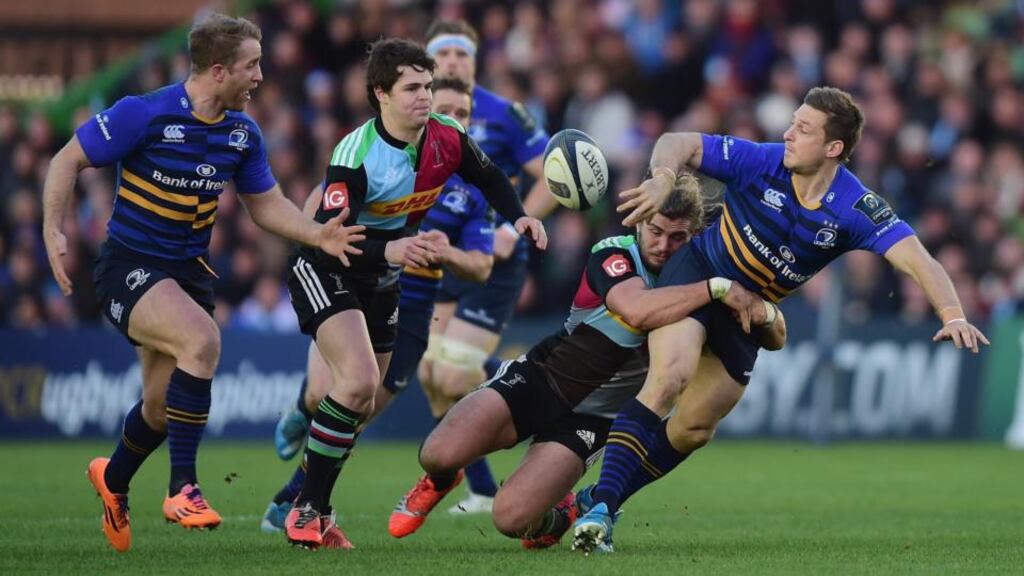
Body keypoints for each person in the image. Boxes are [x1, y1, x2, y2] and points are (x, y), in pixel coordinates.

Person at [572, 86, 990, 553]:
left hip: (748, 312)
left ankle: (597, 497)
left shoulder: (854, 208)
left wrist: (952, 314)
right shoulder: (760, 161)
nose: (789, 134)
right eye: (793, 122)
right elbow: (678, 140)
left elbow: (918, 260)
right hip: (699, 276)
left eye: (804, 129)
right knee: (671, 375)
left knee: (694, 428)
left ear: (834, 149)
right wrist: (665, 177)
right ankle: (600, 514)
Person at [40, 13, 364, 553]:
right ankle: (182, 488)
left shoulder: (242, 132)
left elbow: (265, 206)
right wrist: (52, 227)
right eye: (252, 65)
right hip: (127, 267)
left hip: (189, 273)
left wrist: (317, 234)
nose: (261, 75)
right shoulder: (143, 113)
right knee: (203, 341)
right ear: (218, 71)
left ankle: (113, 479)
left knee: (159, 408)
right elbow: (65, 160)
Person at [387, 175, 785, 549]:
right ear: (638, 225)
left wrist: (762, 313)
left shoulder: (697, 286)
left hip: (590, 423)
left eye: (677, 237)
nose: (663, 245)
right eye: (656, 231)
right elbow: (637, 311)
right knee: (437, 453)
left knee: (510, 520)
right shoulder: (614, 253)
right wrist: (717, 289)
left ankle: (559, 517)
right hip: (540, 380)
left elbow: (773, 336)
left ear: (694, 236)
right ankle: (441, 478)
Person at [282, 38, 546, 550]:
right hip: (328, 268)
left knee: (358, 400)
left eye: (427, 86)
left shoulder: (447, 136)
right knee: (356, 383)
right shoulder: (355, 156)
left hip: (381, 279)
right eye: (412, 88)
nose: (424, 97)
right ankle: (305, 510)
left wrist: (521, 216)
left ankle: (315, 508)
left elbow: (489, 176)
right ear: (380, 94)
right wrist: (396, 248)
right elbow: (330, 239)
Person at [259, 77, 496, 544]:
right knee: (328, 397)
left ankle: (296, 499)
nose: (450, 118)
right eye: (443, 107)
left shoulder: (470, 189)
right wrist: (320, 233)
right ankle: (304, 458)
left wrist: (444, 253)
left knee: (360, 406)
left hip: (411, 306)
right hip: (356, 280)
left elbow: (483, 266)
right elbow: (324, 207)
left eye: (463, 113)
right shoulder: (382, 154)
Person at [418, 18, 557, 516]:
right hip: (437, 255)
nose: (453, 62)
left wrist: (512, 227)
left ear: (476, 61)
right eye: (444, 54)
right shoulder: (416, 112)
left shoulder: (504, 115)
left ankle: (540, 404)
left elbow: (550, 177)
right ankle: (478, 486)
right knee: (432, 372)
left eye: (462, 53)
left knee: (455, 374)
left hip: (491, 254)